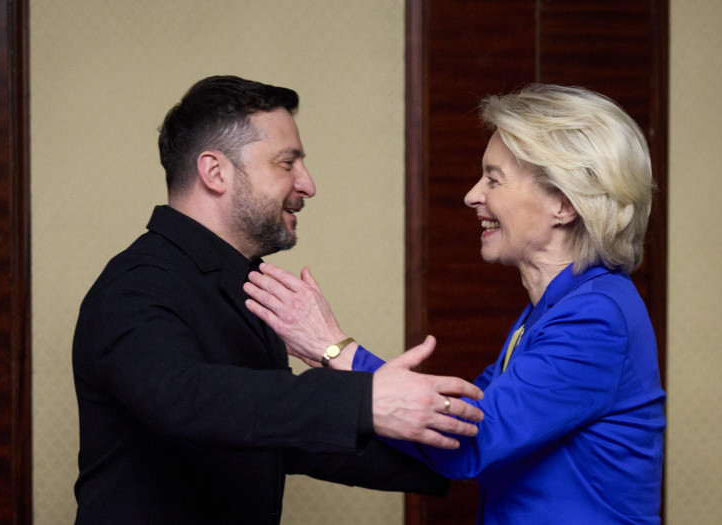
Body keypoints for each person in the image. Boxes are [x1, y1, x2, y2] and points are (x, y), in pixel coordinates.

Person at [71, 75, 486, 525]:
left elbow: (276, 432)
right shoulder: (136, 284)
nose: (308, 184)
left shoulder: (245, 282)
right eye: (287, 163)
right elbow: (185, 401)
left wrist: (463, 460)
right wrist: (365, 400)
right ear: (215, 172)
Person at [244, 84, 665, 524]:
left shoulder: (595, 316)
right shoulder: (558, 306)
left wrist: (336, 349)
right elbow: (465, 408)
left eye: (494, 179)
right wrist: (324, 372)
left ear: (562, 204)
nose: (472, 195)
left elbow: (469, 440)